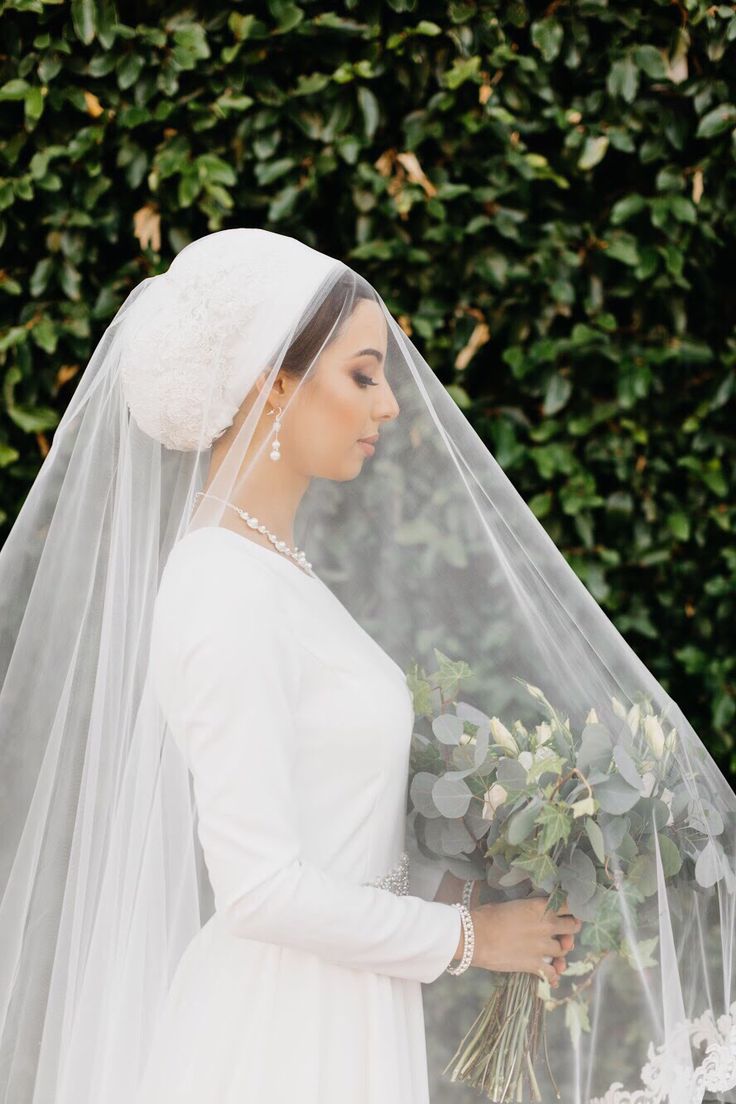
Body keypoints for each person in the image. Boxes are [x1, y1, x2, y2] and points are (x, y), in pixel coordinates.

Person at [0, 228, 733, 1104]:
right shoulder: (222, 587)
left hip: (342, 1005)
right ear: (274, 387)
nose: (388, 405)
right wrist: (472, 936)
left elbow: (334, 829)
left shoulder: (281, 571)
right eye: (362, 373)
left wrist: (489, 857)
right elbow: (261, 889)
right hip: (280, 1036)